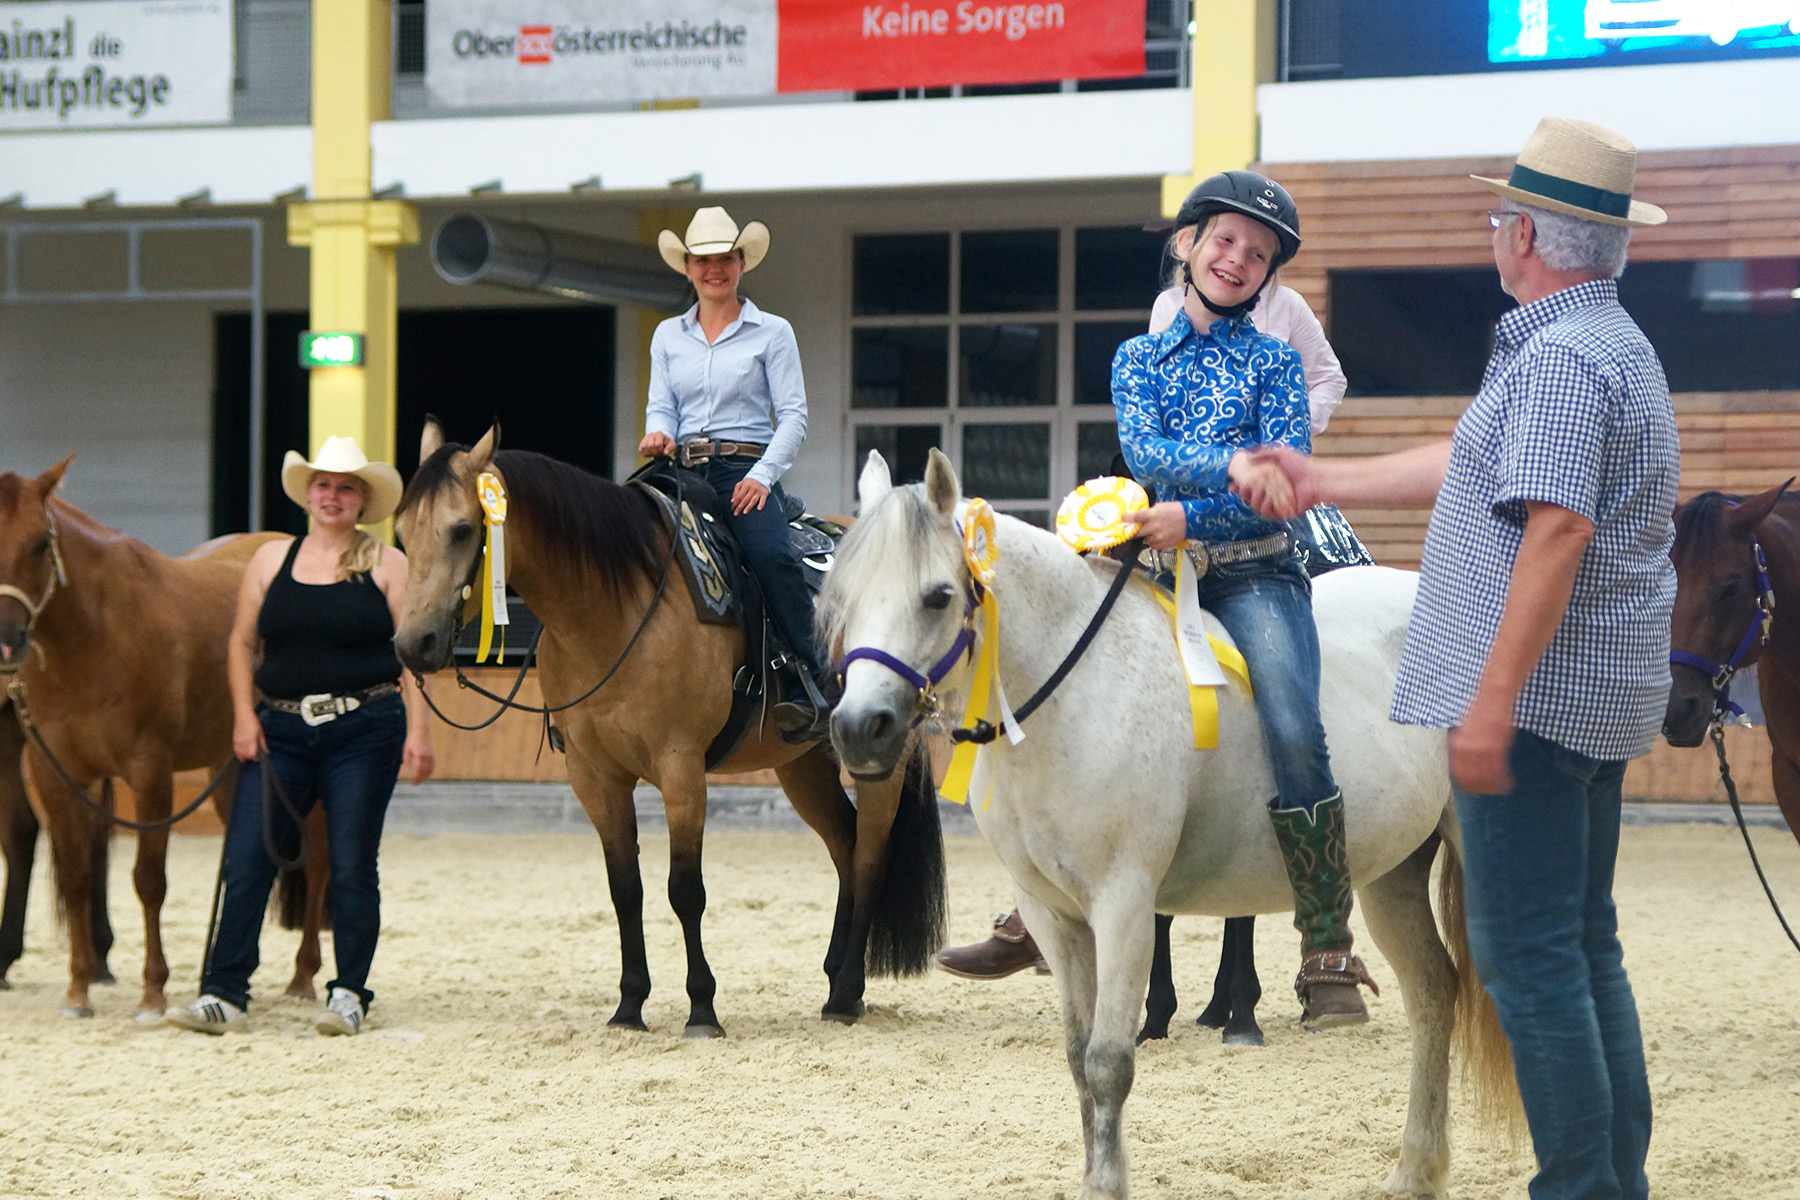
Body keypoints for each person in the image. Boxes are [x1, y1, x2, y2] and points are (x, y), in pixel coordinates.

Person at [1241, 117, 1671, 1199]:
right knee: (1583, 948)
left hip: (1538, 711)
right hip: (1593, 705)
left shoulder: (1565, 358)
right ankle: (1615, 1179)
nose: (1493, 229)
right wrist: (1331, 479)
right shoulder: (1598, 339)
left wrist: (1491, 701)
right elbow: (1474, 455)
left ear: (1525, 232)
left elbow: (1557, 527)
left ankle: (1580, 1187)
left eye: (1497, 215)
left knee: (1529, 964)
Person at [938, 176, 1366, 986]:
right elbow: (1147, 455)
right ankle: (1036, 899)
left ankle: (1326, 935)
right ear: (1188, 244)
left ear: (1270, 274)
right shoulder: (1136, 358)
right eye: (1226, 241)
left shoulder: (1278, 363)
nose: (1238, 260)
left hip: (1255, 571)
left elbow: (1278, 497)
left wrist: (1196, 518)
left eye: (1259, 253)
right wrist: (1230, 468)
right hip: (1151, 565)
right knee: (1051, 681)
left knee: (1292, 717)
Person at [168, 436, 434, 1036]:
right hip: (280, 729)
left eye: (345, 487)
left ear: (362, 500)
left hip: (364, 729)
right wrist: (243, 715)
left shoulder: (388, 565)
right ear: (308, 494)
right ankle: (225, 992)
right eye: (323, 485)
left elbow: (411, 657)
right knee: (246, 857)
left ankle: (349, 992)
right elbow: (242, 642)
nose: (332, 496)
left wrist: (419, 732)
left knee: (350, 862)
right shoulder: (271, 562)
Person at [638, 206, 830, 743]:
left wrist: (762, 477)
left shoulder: (772, 332)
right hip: (679, 469)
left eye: (724, 258)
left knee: (769, 555)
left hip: (746, 467)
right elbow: (661, 406)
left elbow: (793, 415)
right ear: (688, 268)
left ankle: (813, 681)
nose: (714, 269)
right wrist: (658, 433)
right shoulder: (666, 336)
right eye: (703, 260)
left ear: (741, 262)